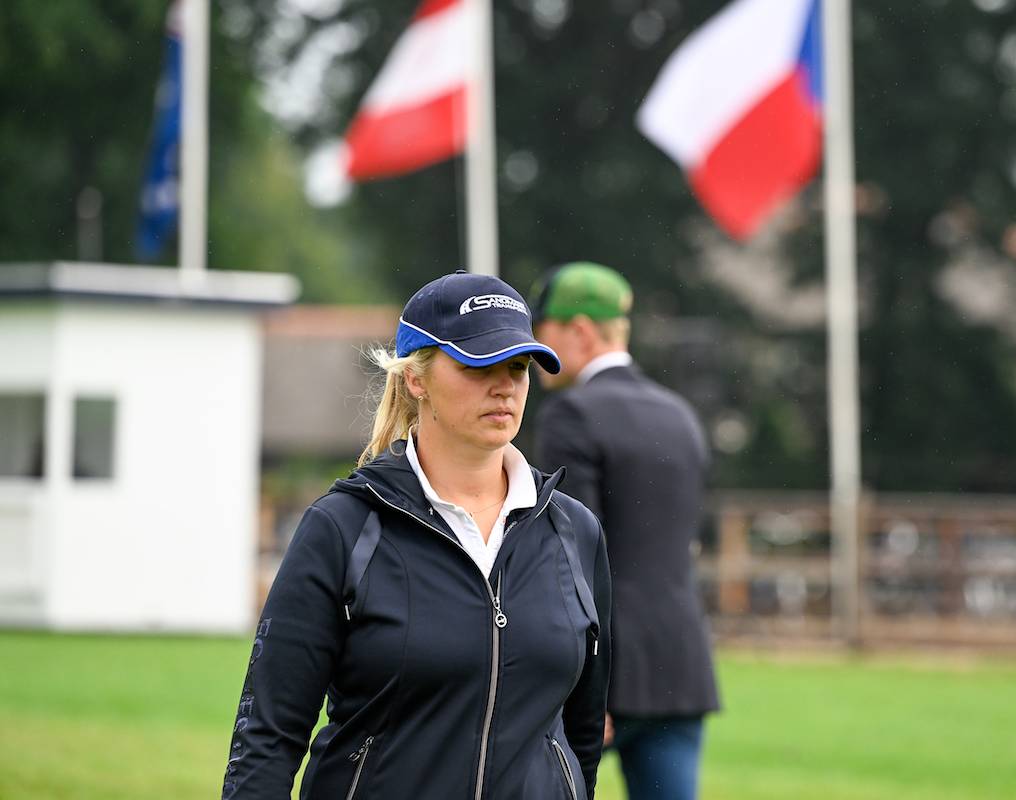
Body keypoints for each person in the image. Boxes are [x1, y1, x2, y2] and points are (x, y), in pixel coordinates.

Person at [221, 270, 611, 800]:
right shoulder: (343, 526)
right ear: (415, 379)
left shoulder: (575, 531)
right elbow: (267, 736)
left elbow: (580, 738)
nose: (504, 385)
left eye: (518, 367)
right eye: (479, 364)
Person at [530, 262, 719, 800]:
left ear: (580, 331)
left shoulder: (572, 414)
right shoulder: (679, 414)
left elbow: (572, 557)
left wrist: (588, 681)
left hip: (609, 672)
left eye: (542, 333)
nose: (535, 353)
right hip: (680, 664)